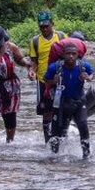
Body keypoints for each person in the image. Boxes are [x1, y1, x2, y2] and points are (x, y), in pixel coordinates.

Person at [44, 42, 95, 158]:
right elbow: (45, 79)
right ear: (63, 55)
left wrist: (88, 78)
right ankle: (53, 157)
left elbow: (92, 73)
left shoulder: (84, 66)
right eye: (68, 54)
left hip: (78, 102)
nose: (71, 56)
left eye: (73, 54)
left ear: (78, 55)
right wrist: (54, 81)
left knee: (83, 124)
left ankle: (86, 155)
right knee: (56, 132)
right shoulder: (55, 67)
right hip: (61, 104)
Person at [28, 11, 66, 143]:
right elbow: (34, 61)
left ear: (52, 24)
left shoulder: (61, 37)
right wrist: (31, 71)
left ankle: (61, 138)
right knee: (46, 112)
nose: (44, 29)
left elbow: (70, 56)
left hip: (59, 81)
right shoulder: (35, 41)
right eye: (42, 27)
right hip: (43, 82)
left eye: (47, 26)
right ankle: (47, 141)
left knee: (61, 110)